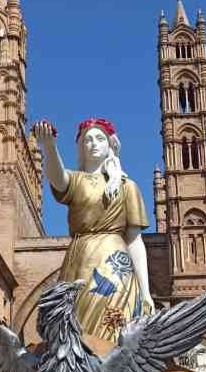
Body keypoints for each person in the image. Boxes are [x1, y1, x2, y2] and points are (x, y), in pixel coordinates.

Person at [32, 118, 154, 340]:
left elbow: (135, 241)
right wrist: (49, 147)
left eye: (100, 138)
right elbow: (58, 178)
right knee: (72, 327)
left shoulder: (128, 186)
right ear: (81, 147)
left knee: (114, 330)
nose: (94, 143)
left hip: (115, 267)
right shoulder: (76, 180)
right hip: (79, 261)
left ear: (111, 145)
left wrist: (146, 292)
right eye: (87, 140)